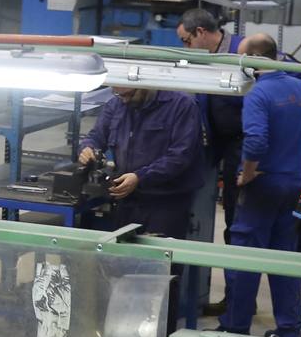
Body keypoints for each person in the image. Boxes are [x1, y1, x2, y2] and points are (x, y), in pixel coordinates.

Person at [218, 35, 301, 337]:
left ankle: (236, 328)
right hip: (293, 182)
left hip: (264, 184)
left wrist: (248, 174)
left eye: (243, 59)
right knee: (284, 256)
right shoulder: (299, 87)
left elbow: (255, 141)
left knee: (245, 256)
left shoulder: (259, 94)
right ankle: (289, 330)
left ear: (255, 60)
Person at [78, 86, 207, 239]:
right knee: (124, 257)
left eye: (129, 95)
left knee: (161, 259)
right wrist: (88, 148)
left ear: (144, 86)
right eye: (118, 95)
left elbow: (180, 156)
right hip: (127, 200)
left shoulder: (182, 105)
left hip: (166, 203)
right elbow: (97, 136)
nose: (124, 100)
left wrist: (140, 177)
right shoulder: (115, 104)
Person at [179, 8, 243, 315]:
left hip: (244, 148)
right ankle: (237, 301)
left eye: (186, 41)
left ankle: (237, 304)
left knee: (239, 225)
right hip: (216, 145)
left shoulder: (244, 51)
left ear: (201, 33)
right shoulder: (203, 58)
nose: (185, 48)